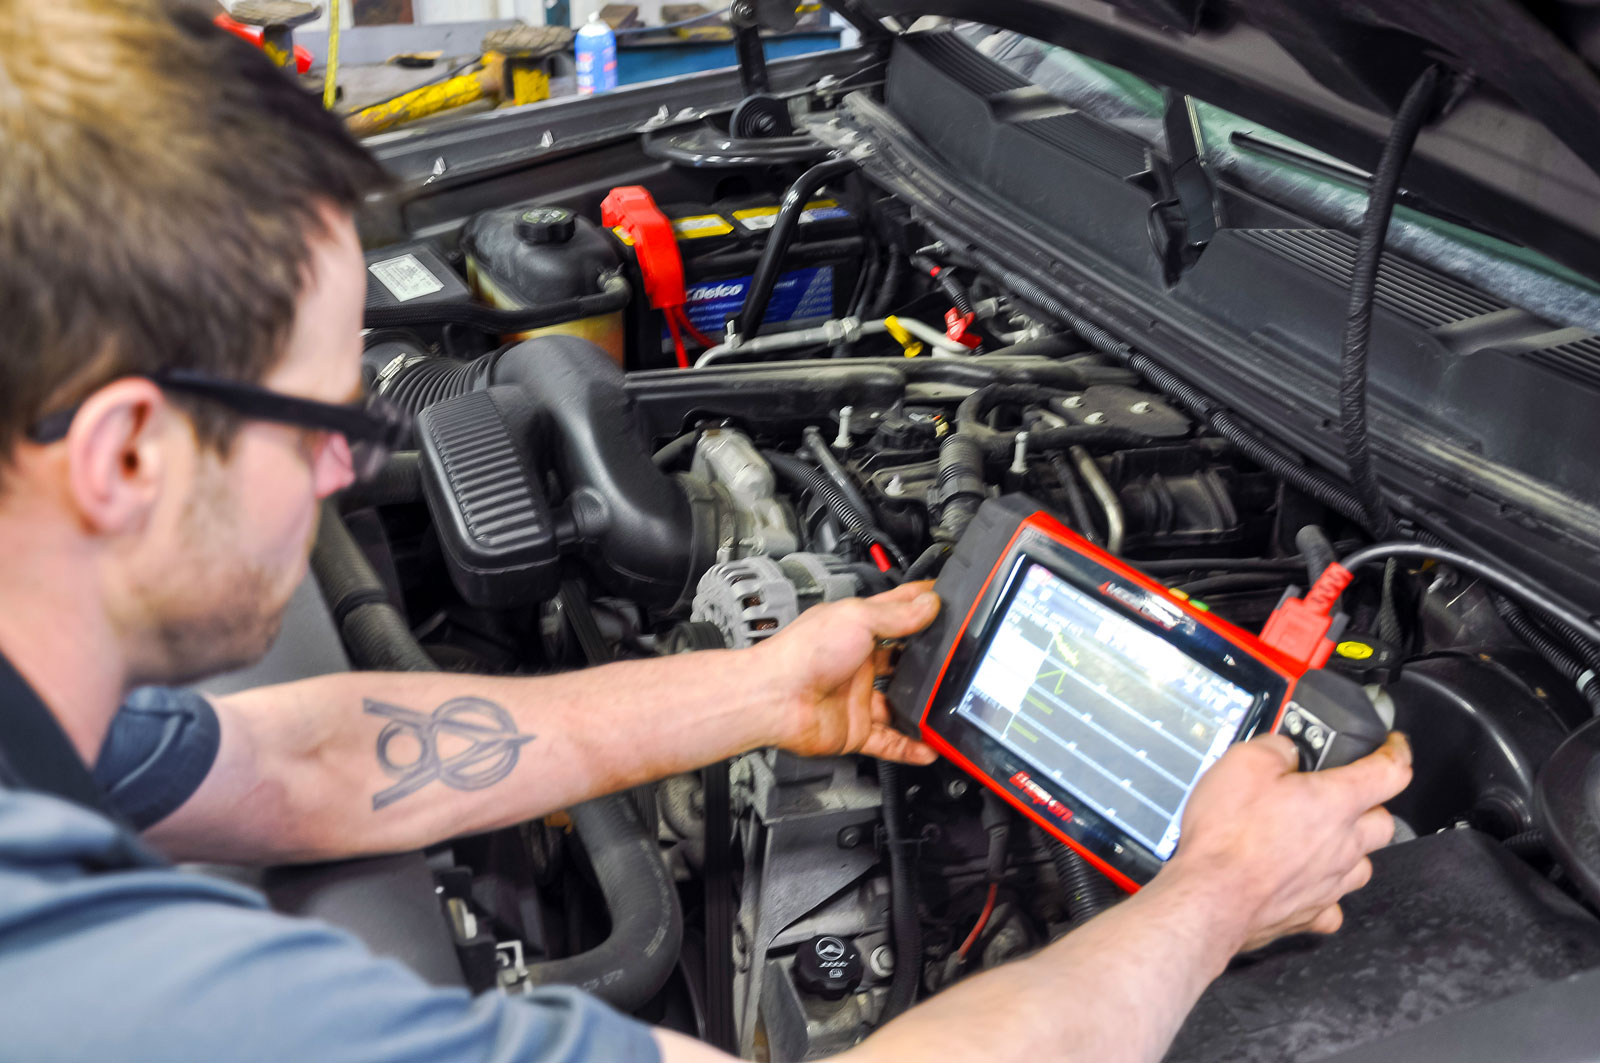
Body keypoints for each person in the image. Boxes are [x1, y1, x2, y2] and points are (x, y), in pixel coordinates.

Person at [0, 2, 1412, 1061]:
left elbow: (295, 761)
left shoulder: (41, 713)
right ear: (124, 450)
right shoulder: (118, 997)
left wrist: (755, 689)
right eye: (320, 419)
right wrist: (1222, 891)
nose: (340, 470)